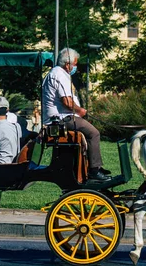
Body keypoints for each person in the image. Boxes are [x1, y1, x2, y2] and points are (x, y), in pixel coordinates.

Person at [41, 48, 111, 181]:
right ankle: (94, 170)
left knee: (88, 131)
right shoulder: (59, 74)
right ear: (67, 64)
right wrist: (80, 111)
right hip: (60, 119)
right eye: (75, 64)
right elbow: (67, 102)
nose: (75, 67)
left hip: (61, 117)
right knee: (93, 133)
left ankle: (90, 166)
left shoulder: (56, 73)